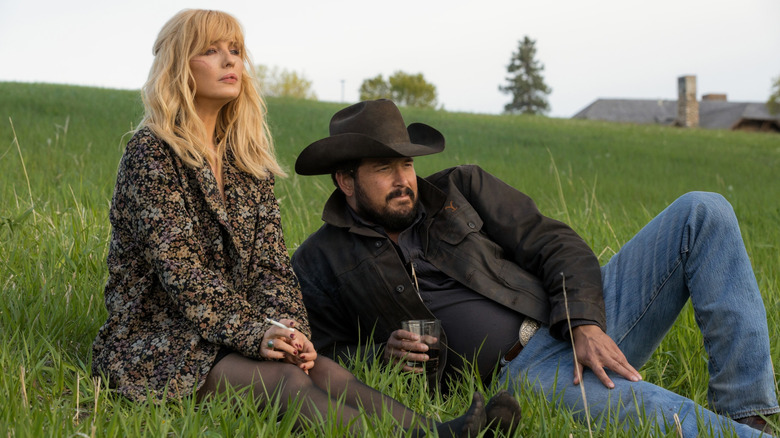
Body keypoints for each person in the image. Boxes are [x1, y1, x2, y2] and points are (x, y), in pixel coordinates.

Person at [90, 10, 521, 437]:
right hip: (160, 341)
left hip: (233, 330)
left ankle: (444, 430)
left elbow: (273, 268)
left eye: (235, 51)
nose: (229, 61)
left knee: (327, 372)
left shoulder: (247, 159)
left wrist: (289, 330)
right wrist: (258, 332)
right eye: (211, 50)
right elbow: (183, 276)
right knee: (285, 382)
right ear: (179, 65)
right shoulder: (152, 154)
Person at [291, 99, 779, 437]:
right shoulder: (320, 260)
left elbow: (555, 243)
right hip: (523, 369)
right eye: (383, 168)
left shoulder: (461, 189)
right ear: (345, 180)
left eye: (406, 165)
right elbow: (323, 354)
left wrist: (584, 321)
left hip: (571, 320)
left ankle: (749, 413)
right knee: (656, 412)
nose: (403, 180)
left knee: (703, 210)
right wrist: (381, 354)